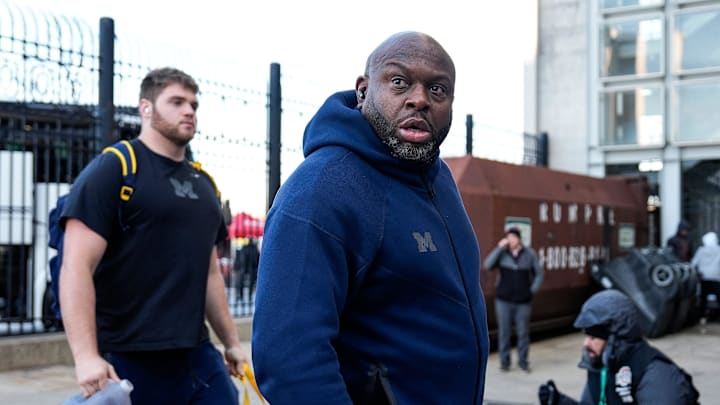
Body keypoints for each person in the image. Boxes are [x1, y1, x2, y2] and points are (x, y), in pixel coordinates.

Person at [251, 31, 489, 404]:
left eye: (438, 90)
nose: (419, 99)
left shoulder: (438, 178)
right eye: (399, 82)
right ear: (363, 91)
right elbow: (288, 361)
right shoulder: (322, 187)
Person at [59, 67, 245, 405]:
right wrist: (86, 356)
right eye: (176, 102)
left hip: (196, 355)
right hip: (127, 356)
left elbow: (210, 272)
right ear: (146, 108)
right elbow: (75, 267)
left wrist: (230, 341)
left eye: (193, 104)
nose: (189, 111)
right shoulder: (115, 168)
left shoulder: (205, 185)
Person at [537, 289, 700, 405]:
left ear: (616, 337)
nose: (586, 343)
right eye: (586, 336)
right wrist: (558, 401)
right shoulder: (602, 367)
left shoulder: (656, 375)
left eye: (594, 337)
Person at [484, 226, 543, 372]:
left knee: (522, 333)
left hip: (523, 301)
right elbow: (488, 265)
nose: (510, 240)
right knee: (504, 332)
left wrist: (532, 291)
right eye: (508, 237)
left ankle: (523, 361)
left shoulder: (529, 254)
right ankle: (505, 362)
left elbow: (539, 273)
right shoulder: (502, 254)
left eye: (512, 237)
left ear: (518, 239)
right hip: (503, 300)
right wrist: (498, 248)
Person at [691, 231, 720, 319]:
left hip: (704, 278)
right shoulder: (719, 249)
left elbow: (693, 263)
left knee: (703, 298)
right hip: (717, 277)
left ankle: (702, 316)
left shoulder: (701, 250)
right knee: (719, 297)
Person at [233, 237, 260, 301]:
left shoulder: (245, 248)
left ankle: (244, 295)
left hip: (247, 267)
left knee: (243, 282)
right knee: (244, 282)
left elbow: (239, 259)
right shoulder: (253, 248)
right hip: (248, 267)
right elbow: (257, 259)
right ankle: (245, 295)